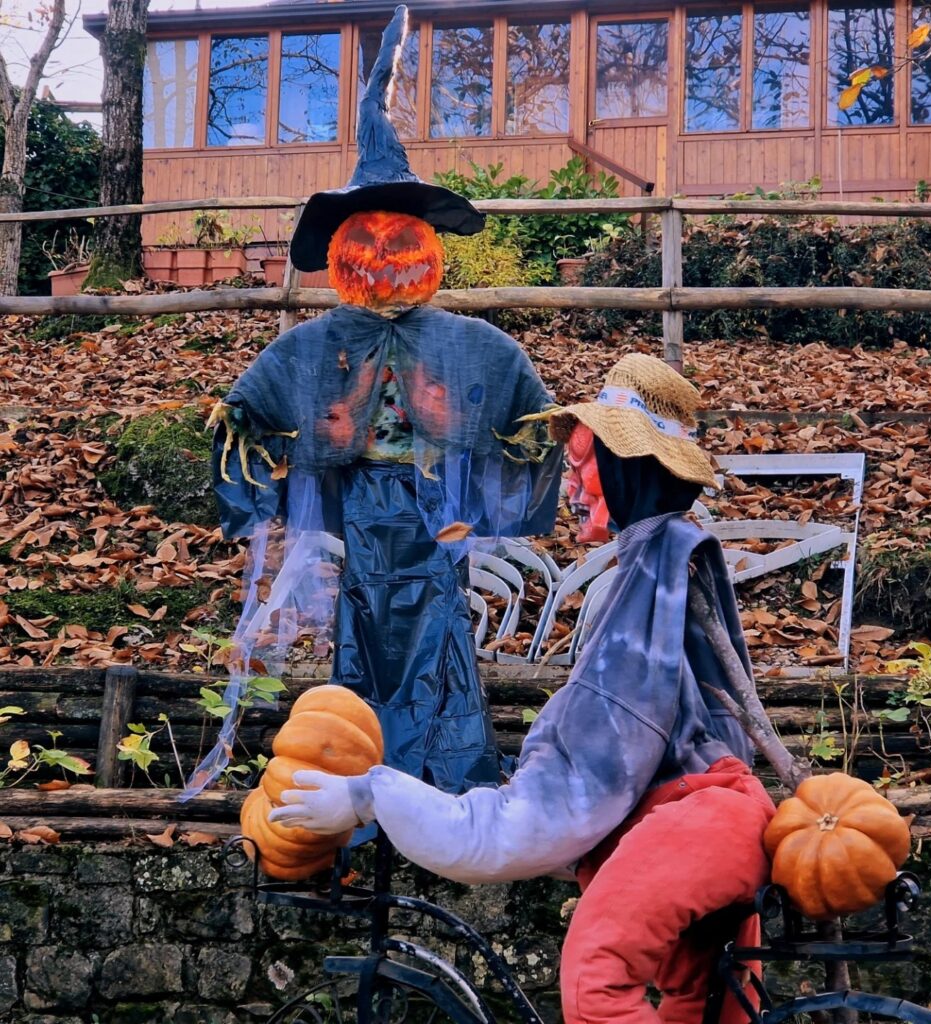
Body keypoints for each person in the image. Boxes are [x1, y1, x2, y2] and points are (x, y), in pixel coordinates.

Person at [270, 353, 777, 1024]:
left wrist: (371, 795)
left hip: (697, 824)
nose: (571, 487)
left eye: (582, 465)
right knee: (703, 1000)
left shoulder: (648, 584)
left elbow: (576, 778)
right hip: (714, 814)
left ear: (627, 468)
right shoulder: (661, 565)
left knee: (596, 977)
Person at [187, 5, 560, 798]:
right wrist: (260, 459)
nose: (384, 254)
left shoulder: (468, 343)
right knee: (363, 629)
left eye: (402, 239)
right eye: (367, 239)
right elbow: (247, 410)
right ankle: (367, 774)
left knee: (438, 626)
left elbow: (527, 409)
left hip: (436, 504)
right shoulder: (316, 343)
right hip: (361, 504)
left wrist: (523, 446)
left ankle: (441, 780)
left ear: (427, 246)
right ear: (341, 249)